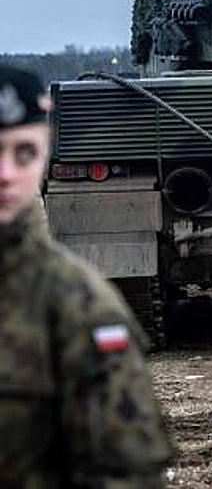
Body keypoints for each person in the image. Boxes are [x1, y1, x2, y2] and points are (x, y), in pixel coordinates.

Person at [0, 65, 175, 485]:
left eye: (24, 153)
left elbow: (126, 472)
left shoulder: (78, 304)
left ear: (45, 158)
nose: (5, 174)